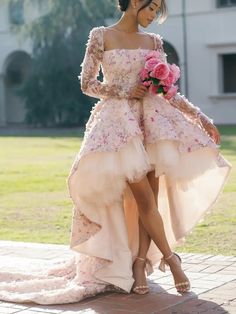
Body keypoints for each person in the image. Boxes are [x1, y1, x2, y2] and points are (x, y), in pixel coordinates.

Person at [0, 0, 231, 305]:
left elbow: (167, 90)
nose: (154, 16)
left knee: (149, 201)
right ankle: (172, 260)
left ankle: (138, 266)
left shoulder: (154, 42)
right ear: (136, 2)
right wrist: (123, 91)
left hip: (152, 124)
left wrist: (199, 116)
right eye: (152, 8)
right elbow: (87, 83)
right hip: (118, 127)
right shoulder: (101, 36)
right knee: (145, 200)